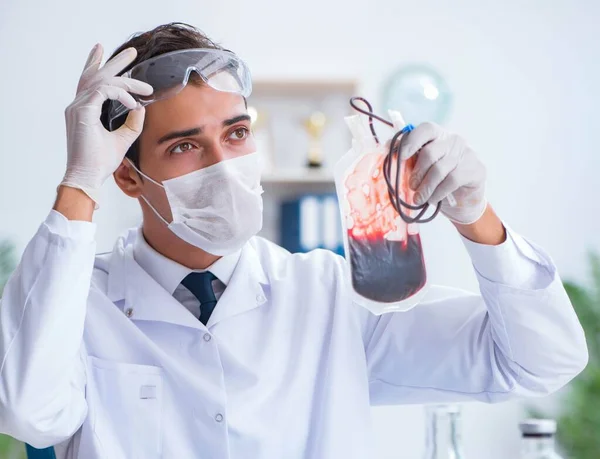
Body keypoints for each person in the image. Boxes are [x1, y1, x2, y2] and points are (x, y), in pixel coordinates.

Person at [0, 22, 588, 459]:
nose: (223, 164)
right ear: (127, 175)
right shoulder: (81, 304)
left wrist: (476, 217)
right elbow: (31, 412)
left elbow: (542, 360)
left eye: (235, 134)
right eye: (184, 146)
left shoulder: (330, 295)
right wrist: (80, 182)